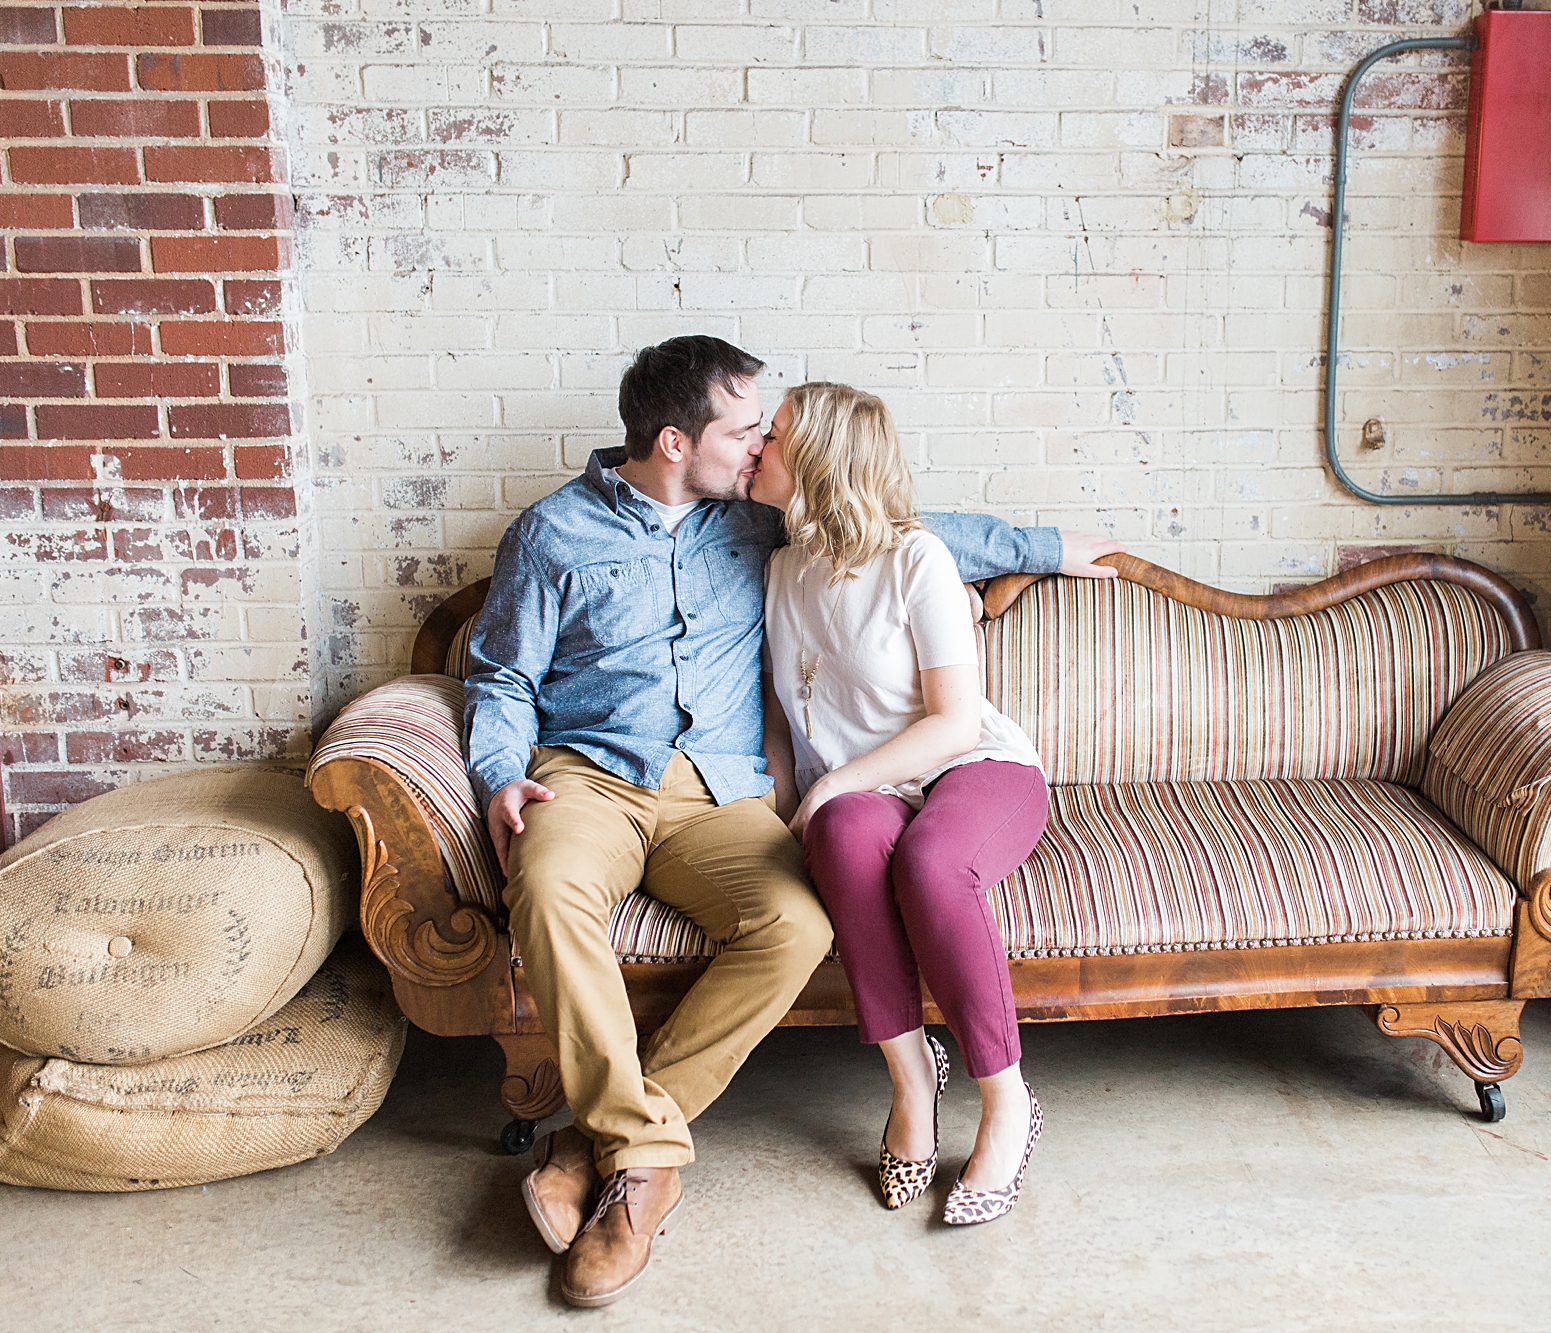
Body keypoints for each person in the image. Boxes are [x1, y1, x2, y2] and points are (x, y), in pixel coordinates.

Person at [464, 336, 1121, 1306]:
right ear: (677, 440)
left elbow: (903, 528)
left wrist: (1048, 547)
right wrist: (494, 774)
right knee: (548, 889)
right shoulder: (552, 534)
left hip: (719, 793)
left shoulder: (754, 525)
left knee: (795, 921)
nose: (761, 442)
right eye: (745, 429)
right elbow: (501, 672)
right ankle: (642, 1167)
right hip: (588, 778)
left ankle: (601, 1143)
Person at [750, 382, 1054, 1226]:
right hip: (867, 790)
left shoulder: (915, 558)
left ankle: (1007, 1101)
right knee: (843, 836)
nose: (754, 449)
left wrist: (832, 783)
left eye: (771, 437)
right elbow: (783, 717)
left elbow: (955, 720)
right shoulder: (780, 569)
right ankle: (912, 1078)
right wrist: (792, 804)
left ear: (816, 459)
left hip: (974, 764)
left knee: (928, 860)